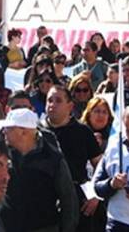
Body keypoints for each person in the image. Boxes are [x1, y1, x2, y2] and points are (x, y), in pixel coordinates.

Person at [0, 108, 78, 232]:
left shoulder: (53, 158)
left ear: (23, 132)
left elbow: (68, 199)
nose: (4, 132)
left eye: (9, 128)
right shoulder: (0, 155)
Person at [40, 86, 102, 232]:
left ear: (70, 106)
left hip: (78, 199)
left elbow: (100, 165)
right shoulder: (37, 133)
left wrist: (95, 194)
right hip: (45, 201)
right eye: (49, 100)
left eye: (58, 101)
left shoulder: (83, 131)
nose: (52, 105)